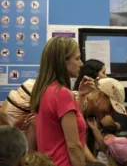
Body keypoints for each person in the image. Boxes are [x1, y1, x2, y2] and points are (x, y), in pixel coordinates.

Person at [30, 36, 97, 166]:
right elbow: (74, 146)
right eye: (77, 58)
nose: (81, 64)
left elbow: (66, 126)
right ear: (62, 61)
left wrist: (81, 95)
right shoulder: (62, 93)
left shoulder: (44, 90)